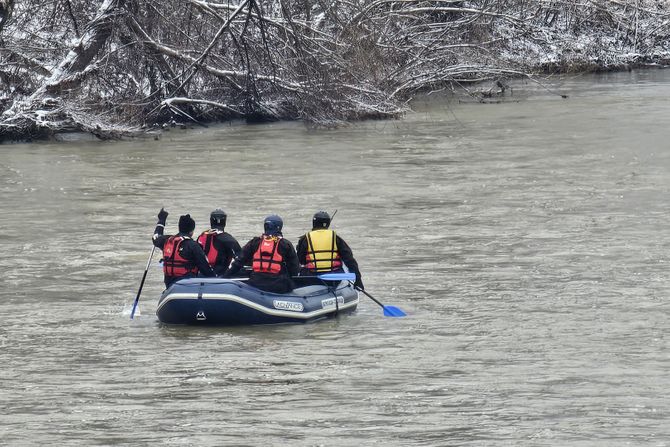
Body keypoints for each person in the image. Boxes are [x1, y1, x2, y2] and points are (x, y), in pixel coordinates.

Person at [225, 214, 300, 294]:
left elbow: (238, 262)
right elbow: (294, 269)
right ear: (279, 227)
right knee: (291, 284)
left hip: (256, 284)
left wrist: (224, 277)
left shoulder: (255, 242)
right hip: (277, 286)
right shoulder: (285, 244)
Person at [296, 211, 364, 290]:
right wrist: (358, 279)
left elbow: (301, 260)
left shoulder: (305, 239)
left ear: (314, 223)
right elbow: (349, 260)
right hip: (333, 279)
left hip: (312, 278)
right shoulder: (336, 238)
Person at [152, 208, 215, 288]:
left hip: (170, 287)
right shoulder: (193, 246)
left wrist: (161, 220)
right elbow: (207, 271)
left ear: (179, 228)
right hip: (188, 287)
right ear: (191, 232)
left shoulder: (167, 241)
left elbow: (155, 236)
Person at [196, 208, 241, 276]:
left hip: (201, 273)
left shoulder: (202, 236)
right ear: (224, 222)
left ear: (211, 221)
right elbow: (240, 257)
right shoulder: (228, 239)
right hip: (219, 275)